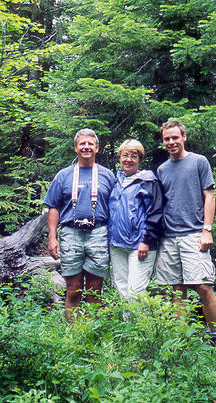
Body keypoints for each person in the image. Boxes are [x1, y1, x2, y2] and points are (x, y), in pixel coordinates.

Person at [154, 120, 216, 347]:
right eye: (167, 139)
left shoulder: (199, 162)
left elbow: (209, 196)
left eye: (175, 137)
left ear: (184, 137)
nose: (171, 142)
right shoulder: (162, 169)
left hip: (195, 233)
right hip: (170, 236)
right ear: (163, 141)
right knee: (178, 289)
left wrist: (207, 230)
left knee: (204, 286)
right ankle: (181, 340)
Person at [44, 128, 115, 321]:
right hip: (71, 233)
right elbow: (53, 207)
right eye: (82, 144)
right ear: (76, 147)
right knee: (73, 290)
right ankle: (73, 335)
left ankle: (91, 333)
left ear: (97, 148)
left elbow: (116, 207)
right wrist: (52, 238)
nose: (86, 147)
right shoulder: (63, 175)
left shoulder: (107, 175)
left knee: (94, 291)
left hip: (98, 233)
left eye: (90, 144)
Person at [108, 139, 162, 300]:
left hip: (140, 245)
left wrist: (146, 240)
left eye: (134, 156)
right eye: (125, 155)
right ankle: (128, 326)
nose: (128, 160)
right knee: (123, 291)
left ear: (140, 160)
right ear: (119, 158)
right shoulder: (116, 181)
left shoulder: (148, 181)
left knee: (135, 293)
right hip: (117, 245)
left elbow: (156, 212)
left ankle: (144, 325)